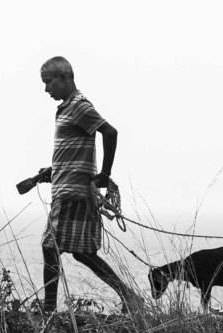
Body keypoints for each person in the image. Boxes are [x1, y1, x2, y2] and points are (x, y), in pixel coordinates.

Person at [29, 55, 142, 313]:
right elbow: (75, 152)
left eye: (49, 82)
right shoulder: (66, 109)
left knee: (50, 246)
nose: (46, 89)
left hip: (73, 193)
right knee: (82, 252)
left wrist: (104, 174)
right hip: (69, 189)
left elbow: (110, 132)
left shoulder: (78, 106)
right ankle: (130, 297)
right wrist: (52, 171)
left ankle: (49, 310)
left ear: (64, 78)